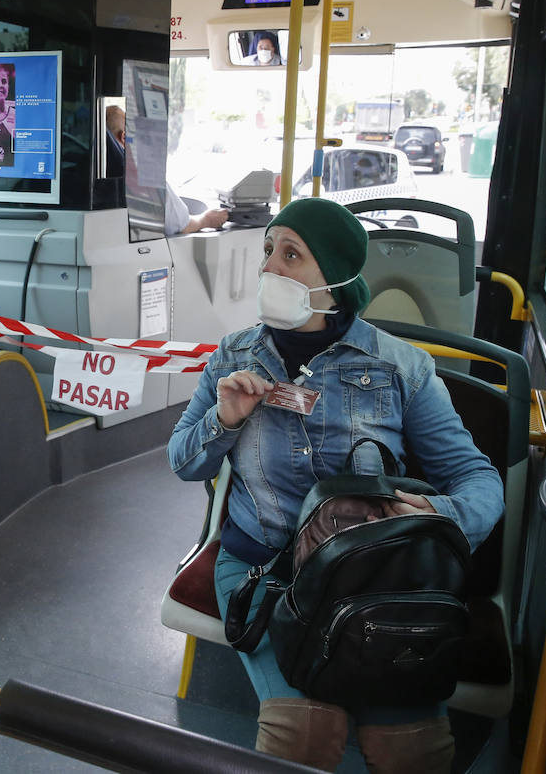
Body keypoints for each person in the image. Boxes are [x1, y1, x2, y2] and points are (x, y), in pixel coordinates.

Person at [166, 198, 504, 773]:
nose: (269, 267)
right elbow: (184, 462)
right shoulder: (233, 356)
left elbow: (478, 479)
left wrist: (436, 513)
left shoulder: (401, 367)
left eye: (290, 254)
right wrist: (224, 421)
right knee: (302, 735)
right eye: (267, 251)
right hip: (262, 568)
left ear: (338, 278)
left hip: (371, 575)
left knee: (412, 747)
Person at [106, 104, 227, 235]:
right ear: (124, 137)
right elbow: (181, 225)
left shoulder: (98, 170)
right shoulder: (139, 173)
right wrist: (207, 219)